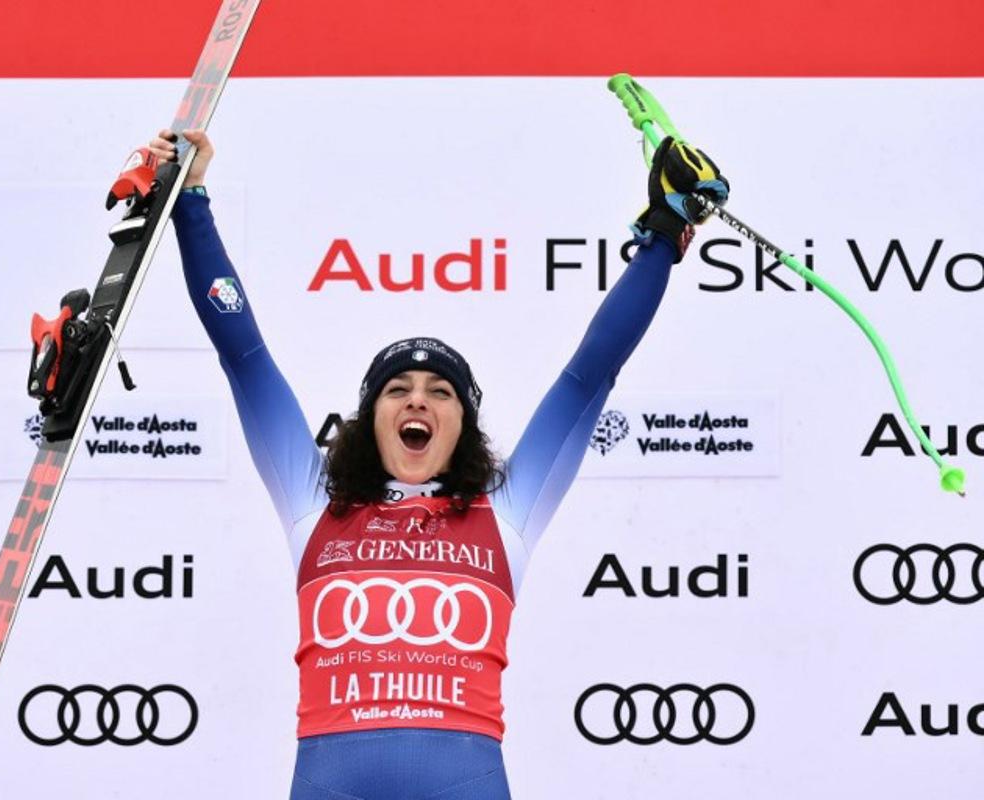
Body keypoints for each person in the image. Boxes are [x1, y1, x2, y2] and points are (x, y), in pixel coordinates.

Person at [154, 128, 729, 799]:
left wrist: (665, 234)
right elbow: (242, 353)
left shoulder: (507, 506)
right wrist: (191, 201)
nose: (417, 401)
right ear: (370, 419)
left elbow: (590, 374)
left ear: (464, 422)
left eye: (439, 392)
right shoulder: (315, 500)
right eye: (397, 390)